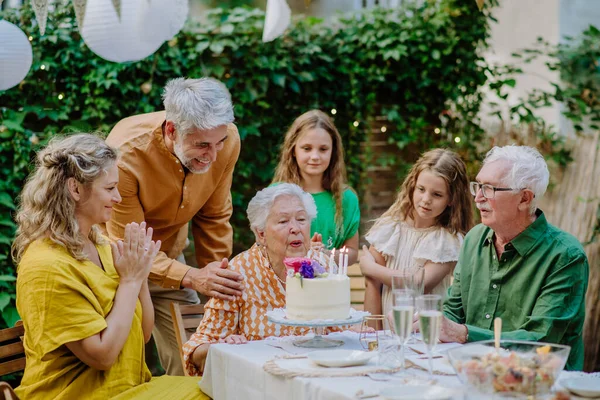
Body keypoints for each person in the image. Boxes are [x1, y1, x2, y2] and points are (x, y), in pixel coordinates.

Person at [12, 134, 204, 399]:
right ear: (76, 189)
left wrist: (140, 273)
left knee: (215, 388)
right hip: (75, 395)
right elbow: (102, 356)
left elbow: (143, 334)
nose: (118, 197)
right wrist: (130, 281)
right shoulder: (45, 267)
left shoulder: (101, 245)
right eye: (110, 188)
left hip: (130, 390)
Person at [103, 77, 244, 375]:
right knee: (117, 366)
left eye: (219, 143)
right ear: (172, 129)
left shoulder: (226, 139)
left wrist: (217, 283)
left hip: (172, 265)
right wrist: (193, 276)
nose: (213, 155)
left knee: (196, 360)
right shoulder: (124, 155)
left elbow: (215, 217)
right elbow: (131, 246)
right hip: (113, 268)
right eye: (202, 145)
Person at [438, 145, 588, 371]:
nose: (478, 198)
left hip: (540, 384)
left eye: (489, 189)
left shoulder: (566, 256)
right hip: (474, 374)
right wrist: (431, 324)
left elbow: (540, 340)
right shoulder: (474, 239)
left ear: (524, 199)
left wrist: (465, 334)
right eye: (478, 186)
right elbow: (453, 310)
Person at [182, 183, 335, 375]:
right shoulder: (238, 272)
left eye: (302, 219)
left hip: (315, 376)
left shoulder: (324, 266)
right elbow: (195, 351)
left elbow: (344, 334)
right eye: (283, 221)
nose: (295, 228)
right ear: (261, 234)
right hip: (258, 381)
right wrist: (223, 348)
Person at [360, 149, 473, 317]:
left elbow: (420, 283)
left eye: (437, 194)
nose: (426, 199)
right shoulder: (390, 227)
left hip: (426, 333)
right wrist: (374, 335)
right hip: (385, 333)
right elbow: (372, 285)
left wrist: (371, 268)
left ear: (451, 199)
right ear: (413, 186)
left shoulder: (447, 240)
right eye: (421, 189)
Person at [272, 110, 360, 264]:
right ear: (293, 150)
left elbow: (352, 252)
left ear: (333, 152)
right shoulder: (276, 195)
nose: (315, 156)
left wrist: (326, 254)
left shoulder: (347, 198)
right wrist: (301, 251)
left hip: (329, 285)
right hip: (286, 285)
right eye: (306, 148)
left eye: (323, 149)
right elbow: (264, 247)